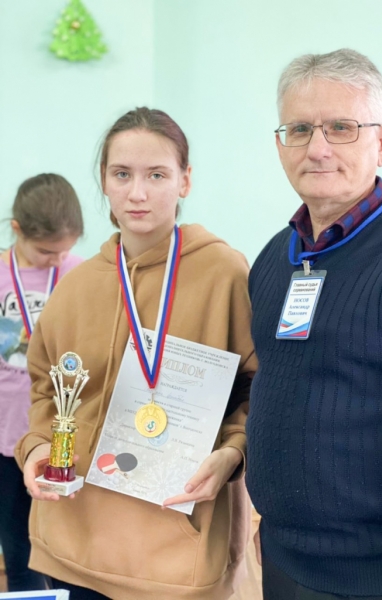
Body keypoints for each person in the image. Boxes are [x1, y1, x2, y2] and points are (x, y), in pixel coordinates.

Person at [15, 107, 256, 600]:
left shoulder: (226, 274)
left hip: (176, 552)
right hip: (73, 541)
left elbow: (263, 388)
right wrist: (37, 447)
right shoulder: (77, 286)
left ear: (185, 180)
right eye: (122, 174)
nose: (137, 193)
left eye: (157, 175)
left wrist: (234, 451)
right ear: (104, 181)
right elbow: (46, 387)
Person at [246, 48, 382, 600]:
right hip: (284, 566)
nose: (317, 148)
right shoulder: (274, 258)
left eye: (341, 127)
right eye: (299, 129)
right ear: (280, 144)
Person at [0, 173, 83, 591]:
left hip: (61, 435)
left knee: (66, 554)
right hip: (4, 437)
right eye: (47, 251)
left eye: (65, 250)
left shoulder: (79, 274)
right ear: (16, 229)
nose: (57, 259)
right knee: (19, 552)